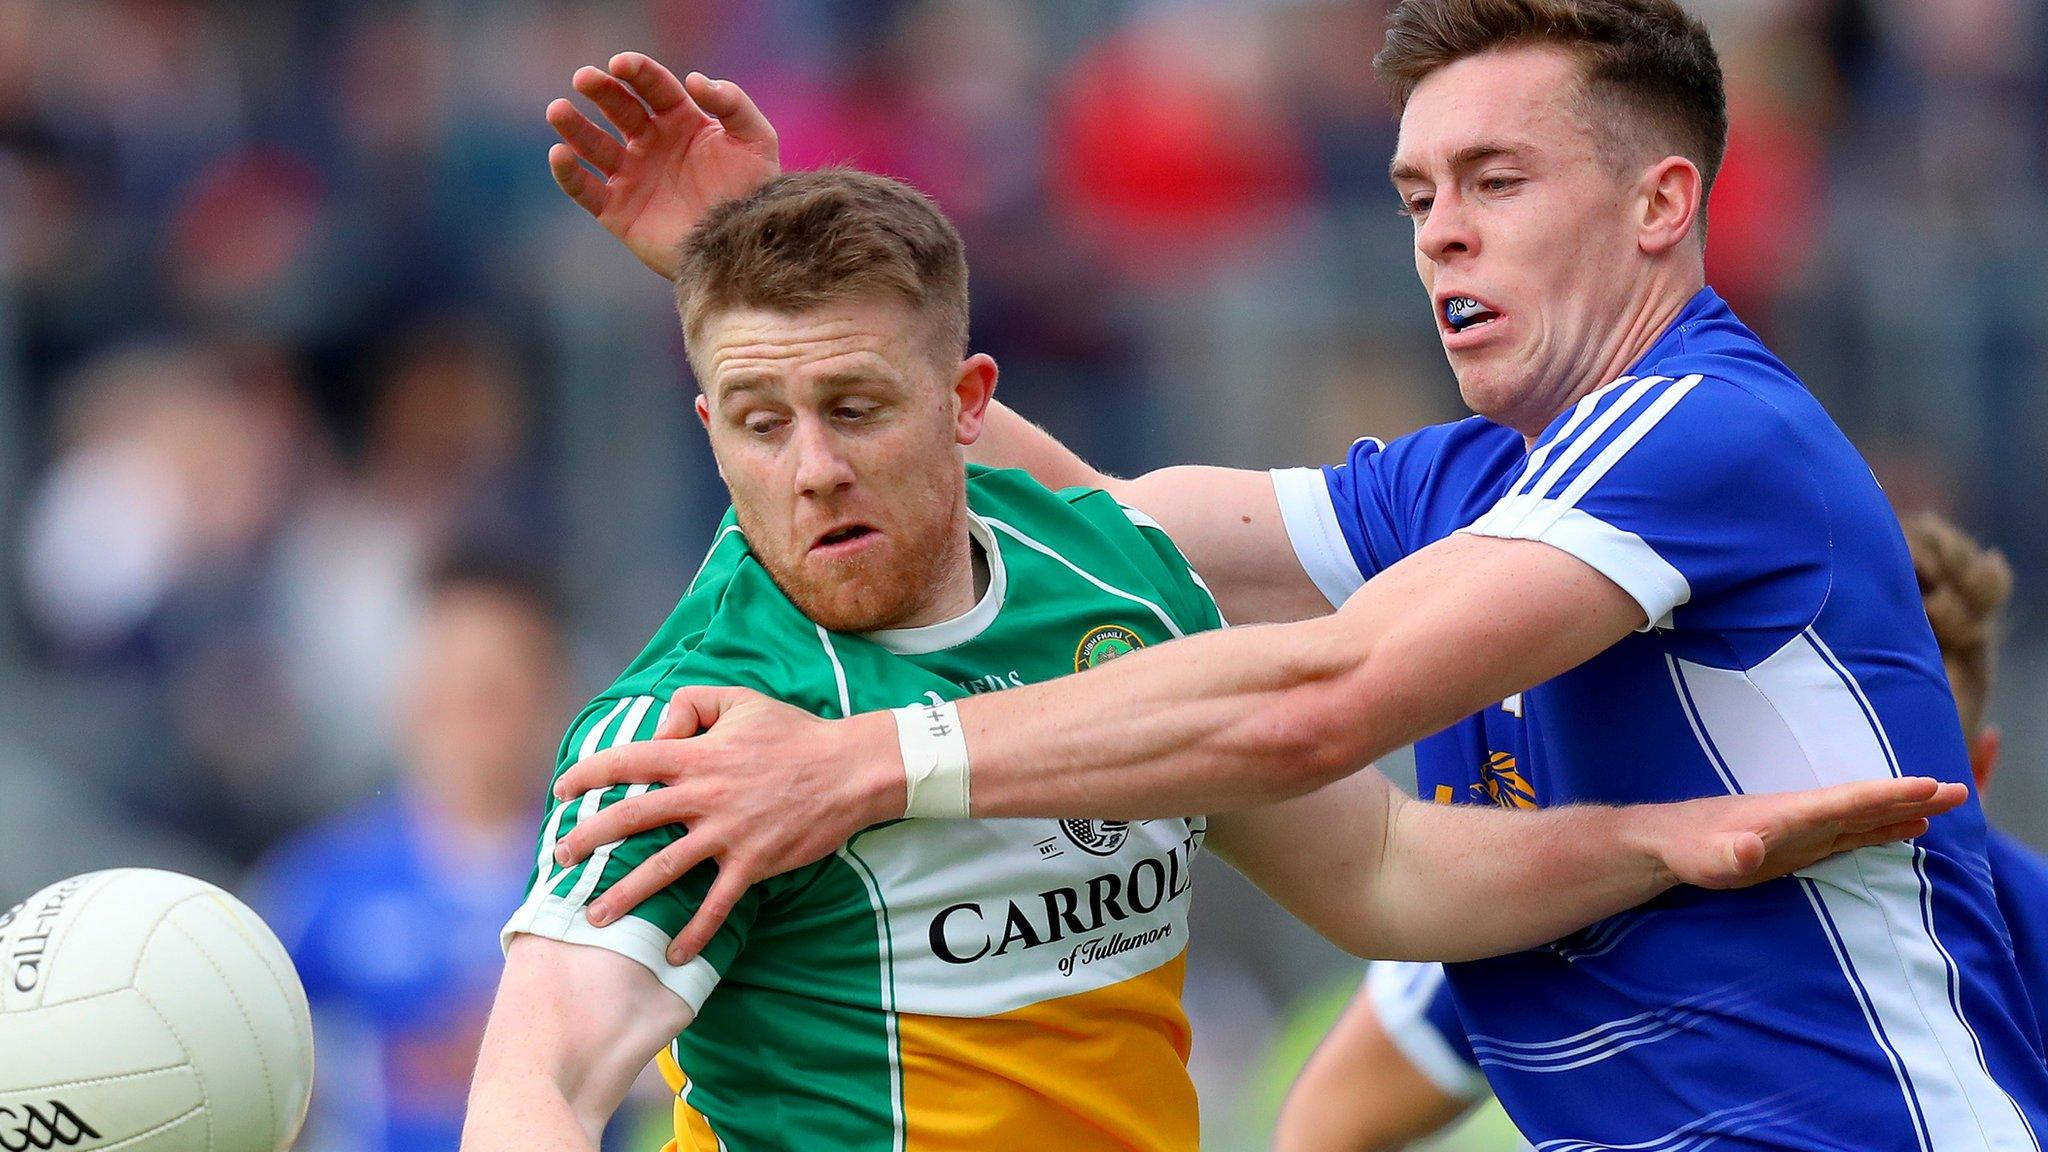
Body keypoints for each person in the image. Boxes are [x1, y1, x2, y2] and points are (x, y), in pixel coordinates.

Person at [540, 3, 2048, 1147]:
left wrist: (866, 761)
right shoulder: (1473, 485)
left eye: (1496, 181)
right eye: (1411, 195)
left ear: (1662, 206)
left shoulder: (1703, 428)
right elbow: (1108, 528)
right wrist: (766, 290)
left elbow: (1321, 702)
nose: (1440, 231)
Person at [1272, 512, 2048, 1151]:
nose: (1845, 804)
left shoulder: (2029, 934)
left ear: (1976, 773)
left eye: (1909, 779)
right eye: (1810, 759)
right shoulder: (1563, 900)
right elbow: (1327, 1125)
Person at [249, 555, 574, 1152]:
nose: (456, 718)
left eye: (488, 693)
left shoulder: (607, 878)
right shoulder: (319, 884)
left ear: (549, 697)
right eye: (439, 684)